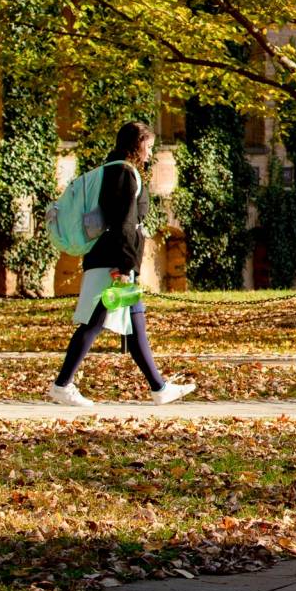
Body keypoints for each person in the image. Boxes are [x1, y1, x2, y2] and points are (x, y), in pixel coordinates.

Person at [46, 122, 196, 408]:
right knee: (94, 320)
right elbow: (124, 224)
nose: (150, 152)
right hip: (114, 262)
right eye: (148, 146)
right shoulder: (125, 173)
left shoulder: (112, 171)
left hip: (110, 258)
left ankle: (158, 387)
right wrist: (125, 267)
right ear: (136, 144)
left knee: (135, 323)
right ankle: (62, 385)